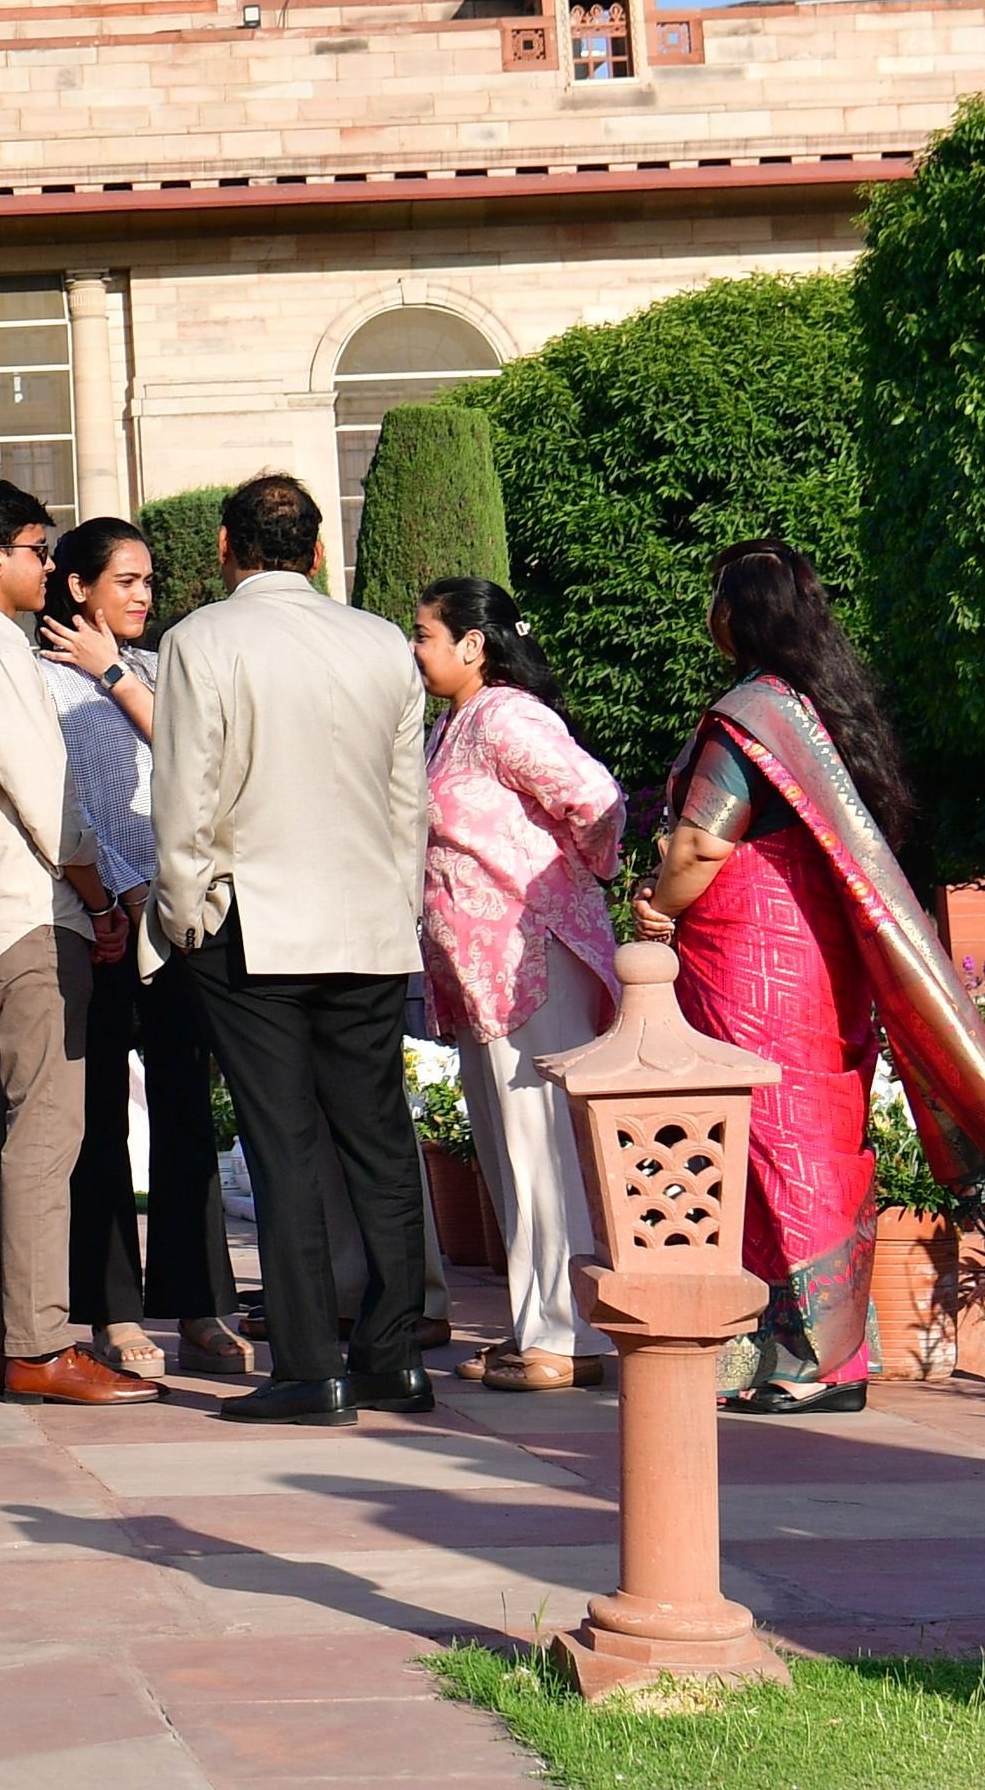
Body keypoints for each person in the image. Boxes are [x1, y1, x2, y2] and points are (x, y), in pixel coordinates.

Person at [640, 539, 985, 1413]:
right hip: (818, 954)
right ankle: (800, 1353)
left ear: (737, 615)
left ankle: (816, 1363)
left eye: (717, 599)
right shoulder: (820, 714)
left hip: (752, 953)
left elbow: (700, 844)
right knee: (814, 1137)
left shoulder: (748, 716)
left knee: (774, 1140)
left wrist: (658, 908)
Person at [149, 475, 429, 1424]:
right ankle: (391, 1356)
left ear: (225, 547)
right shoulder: (380, 641)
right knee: (379, 1143)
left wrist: (182, 908)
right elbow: (406, 801)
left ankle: (311, 1367)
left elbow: (185, 790)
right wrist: (396, 902)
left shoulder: (201, 640)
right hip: (367, 920)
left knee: (284, 1147)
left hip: (254, 919)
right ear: (316, 551)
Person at [0, 474, 147, 1407]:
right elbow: (48, 802)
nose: (48, 567)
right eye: (38, 551)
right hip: (24, 912)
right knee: (46, 1130)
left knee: (8, 1130)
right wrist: (100, 900)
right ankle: (39, 1344)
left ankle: (13, 1340)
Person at [43, 518, 249, 1383]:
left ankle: (199, 1302)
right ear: (77, 587)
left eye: (148, 580)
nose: (142, 594)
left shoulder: (159, 669)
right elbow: (60, 801)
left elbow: (196, 767)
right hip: (92, 916)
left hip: (174, 914)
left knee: (184, 1107)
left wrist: (116, 674)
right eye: (125, 579)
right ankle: (112, 1310)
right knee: (94, 1118)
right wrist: (111, 893)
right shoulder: (34, 679)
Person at [411, 576, 621, 1393]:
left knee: (542, 1147)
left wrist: (564, 884)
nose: (414, 649)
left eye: (424, 634)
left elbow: (594, 799)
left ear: (472, 644)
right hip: (483, 971)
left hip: (529, 960)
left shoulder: (504, 715)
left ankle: (571, 1335)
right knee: (509, 1153)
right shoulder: (454, 723)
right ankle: (538, 1326)